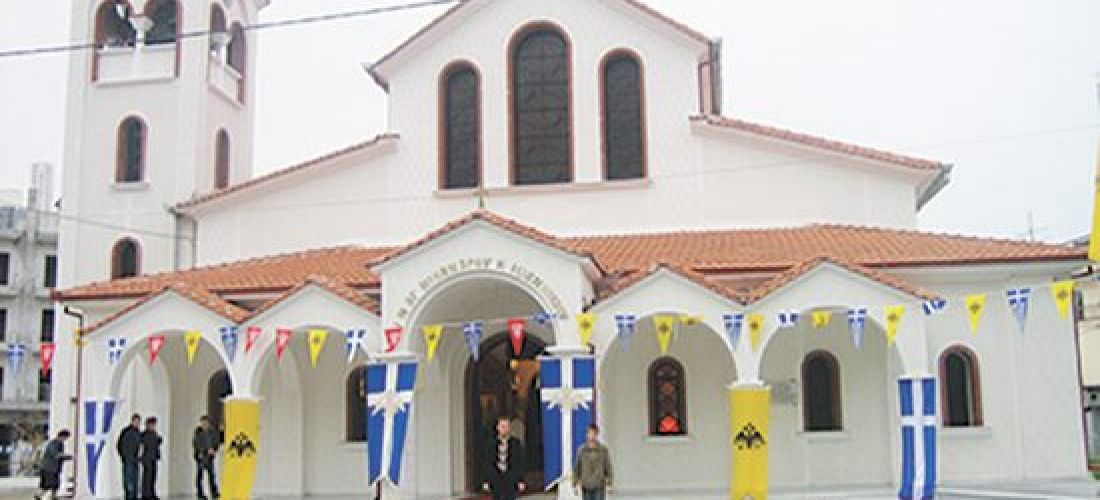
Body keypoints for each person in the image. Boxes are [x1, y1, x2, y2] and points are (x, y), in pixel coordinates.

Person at [481, 416, 526, 500]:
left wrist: (521, 480)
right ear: (498, 427)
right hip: (496, 478)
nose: (505, 429)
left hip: (511, 478)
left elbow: (519, 462)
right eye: (503, 426)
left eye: (507, 426)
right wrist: (486, 480)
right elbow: (487, 463)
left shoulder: (515, 443)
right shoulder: (490, 443)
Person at [573, 424, 613, 500]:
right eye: (589, 433)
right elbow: (577, 468)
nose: (591, 436)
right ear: (587, 434)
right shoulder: (581, 450)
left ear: (597, 435)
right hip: (586, 486)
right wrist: (575, 484)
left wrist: (609, 484)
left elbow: (608, 467)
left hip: (599, 485)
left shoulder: (603, 450)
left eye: (594, 433)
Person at [34, 429, 71, 500]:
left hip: (54, 468)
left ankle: (53, 497)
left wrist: (67, 457)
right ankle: (38, 496)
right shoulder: (53, 444)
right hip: (48, 468)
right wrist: (68, 456)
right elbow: (56, 455)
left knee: (55, 484)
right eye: (65, 438)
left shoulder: (60, 444)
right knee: (47, 484)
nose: (65, 440)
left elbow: (60, 456)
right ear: (62, 436)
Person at [192, 416, 221, 499]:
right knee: (199, 476)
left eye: (206, 423)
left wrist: (214, 450)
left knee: (211, 475)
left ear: (208, 423)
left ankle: (214, 493)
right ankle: (200, 494)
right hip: (201, 457)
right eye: (203, 423)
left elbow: (216, 442)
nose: (204, 424)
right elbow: (196, 444)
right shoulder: (198, 433)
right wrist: (203, 451)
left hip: (209, 457)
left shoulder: (212, 432)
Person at [117, 414, 142, 500]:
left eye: (138, 421)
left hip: (135, 460)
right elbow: (119, 445)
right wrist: (124, 457)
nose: (137, 423)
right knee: (129, 483)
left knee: (135, 482)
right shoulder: (126, 431)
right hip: (128, 461)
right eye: (136, 421)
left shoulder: (138, 432)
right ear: (132, 421)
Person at [140, 417, 163, 500]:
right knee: (147, 477)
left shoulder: (155, 434)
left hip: (154, 458)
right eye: (152, 425)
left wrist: (159, 440)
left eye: (154, 425)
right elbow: (145, 444)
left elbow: (157, 442)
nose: (153, 426)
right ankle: (146, 494)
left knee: (153, 476)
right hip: (147, 458)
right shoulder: (144, 434)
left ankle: (152, 493)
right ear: (147, 425)